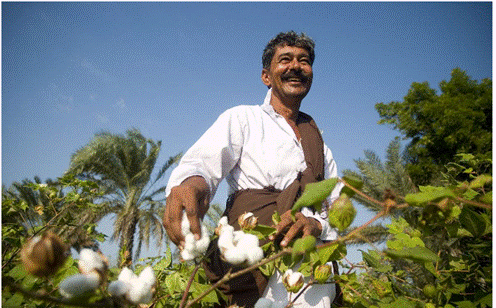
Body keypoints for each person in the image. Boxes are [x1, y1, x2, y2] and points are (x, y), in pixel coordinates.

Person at [164, 31, 343, 308]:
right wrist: (190, 186)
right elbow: (202, 165)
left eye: (304, 61)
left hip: (311, 272)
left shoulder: (320, 146)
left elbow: (337, 210)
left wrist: (315, 224)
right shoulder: (242, 118)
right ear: (266, 77)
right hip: (249, 257)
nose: (295, 66)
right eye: (285, 59)